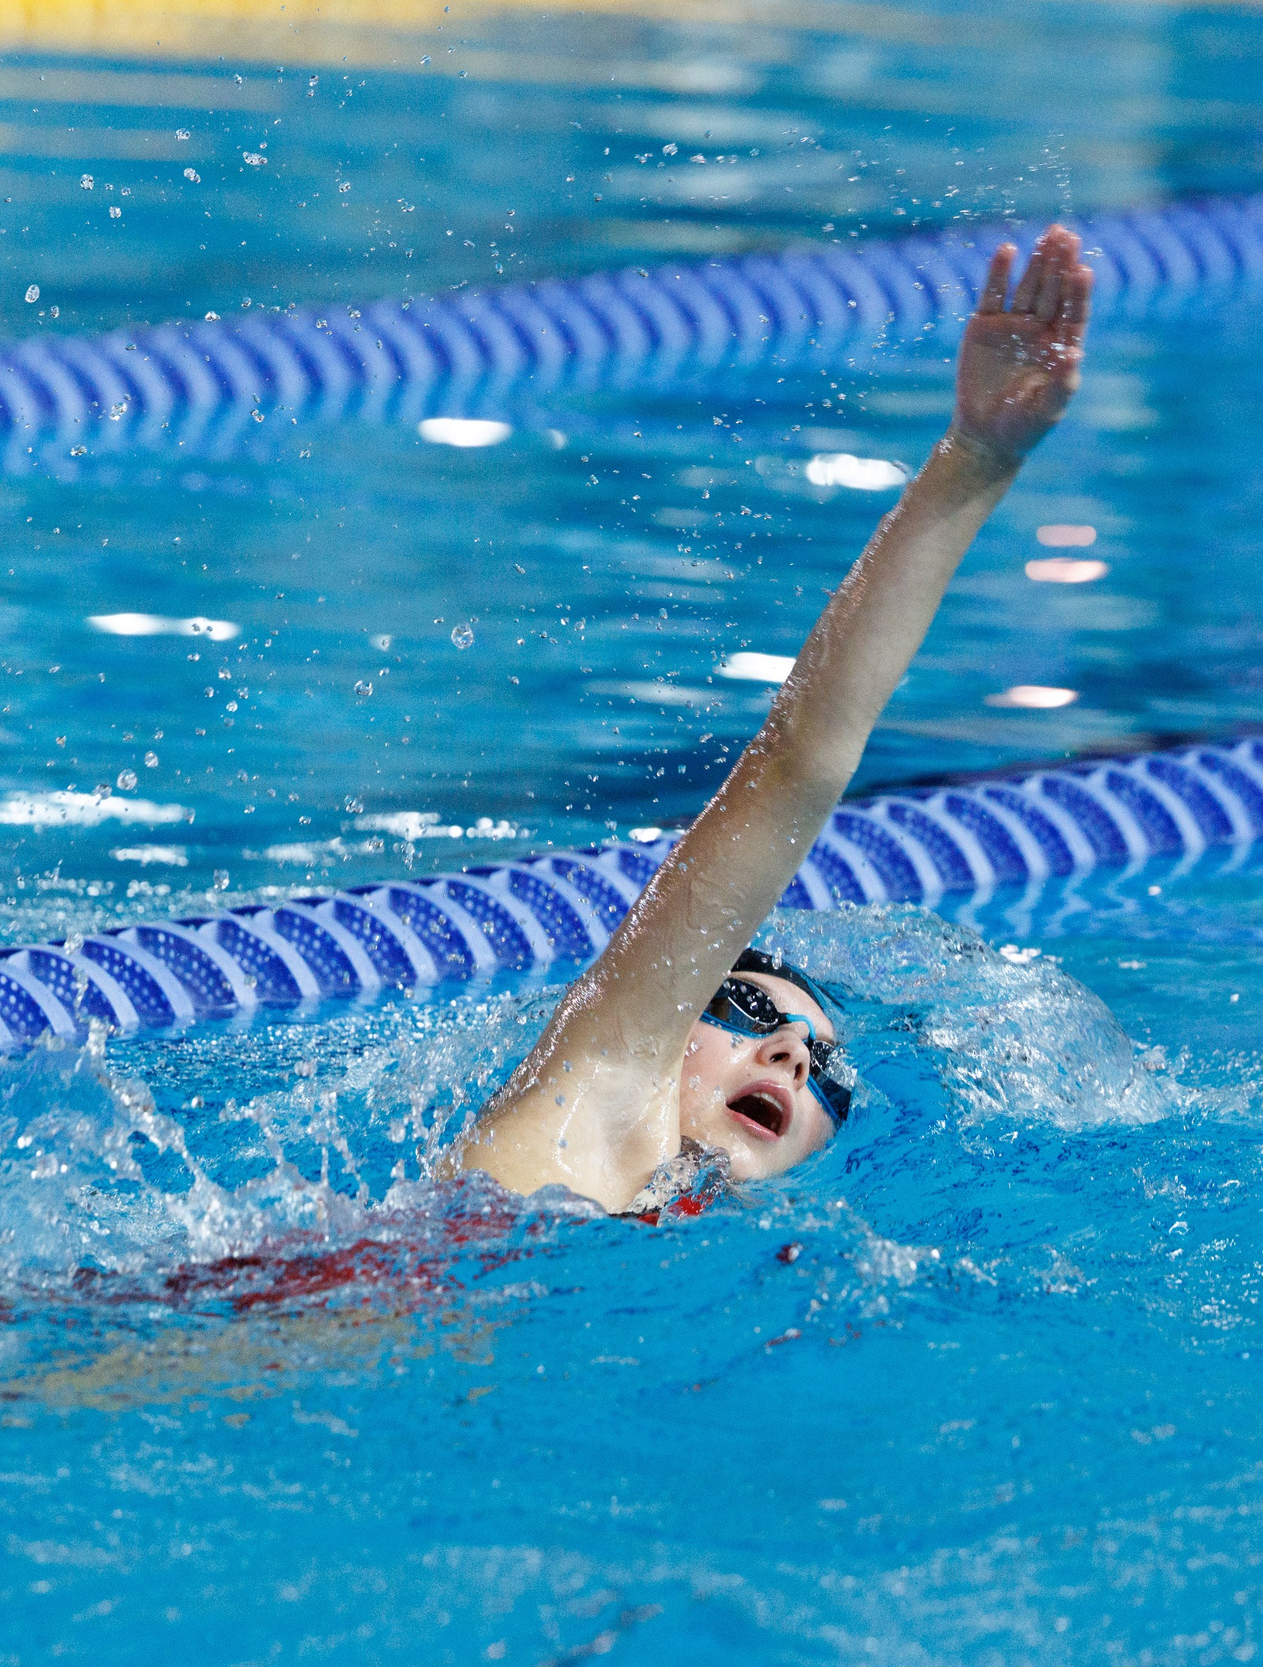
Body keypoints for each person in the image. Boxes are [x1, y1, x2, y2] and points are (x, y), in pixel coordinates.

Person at [446, 224, 1095, 1214]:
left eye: (827, 1069)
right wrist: (975, 459)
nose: (792, 1053)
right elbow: (801, 759)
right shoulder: (598, 1114)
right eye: (746, 1007)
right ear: (667, 1022)